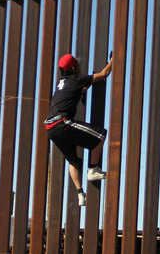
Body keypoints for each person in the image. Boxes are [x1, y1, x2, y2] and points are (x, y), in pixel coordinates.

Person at [44, 53, 113, 207]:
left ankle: (80, 193)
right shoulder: (76, 80)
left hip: (50, 128)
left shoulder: (60, 83)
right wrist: (113, 61)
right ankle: (93, 169)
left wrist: (83, 88)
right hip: (61, 123)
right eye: (77, 64)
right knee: (100, 135)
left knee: (73, 160)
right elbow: (104, 74)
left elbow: (74, 91)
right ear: (74, 67)